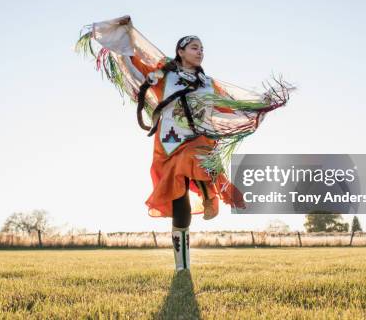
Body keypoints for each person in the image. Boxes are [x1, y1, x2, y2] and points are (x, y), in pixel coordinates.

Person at [74, 15, 293, 272]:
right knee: (180, 205)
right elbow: (133, 64)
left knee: (193, 153)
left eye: (202, 49)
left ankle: (210, 192)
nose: (200, 52)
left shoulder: (209, 85)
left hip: (199, 141)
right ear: (180, 51)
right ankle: (182, 267)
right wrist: (125, 32)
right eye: (194, 47)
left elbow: (231, 104)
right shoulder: (163, 75)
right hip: (168, 144)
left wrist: (259, 103)